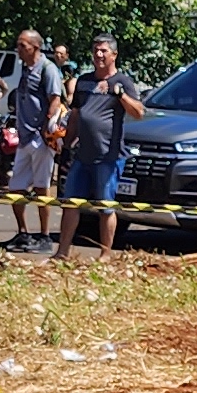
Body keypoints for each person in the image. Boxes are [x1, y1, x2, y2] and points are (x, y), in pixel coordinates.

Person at [59, 34, 146, 263]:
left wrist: (120, 95)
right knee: (70, 203)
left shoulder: (123, 82)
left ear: (114, 55)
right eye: (96, 50)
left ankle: (106, 254)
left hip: (109, 156)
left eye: (104, 51)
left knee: (105, 206)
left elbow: (138, 112)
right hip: (82, 155)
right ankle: (62, 252)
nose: (99, 54)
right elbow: (76, 116)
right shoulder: (84, 81)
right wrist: (67, 145)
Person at [0, 29, 64, 251]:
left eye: (22, 46)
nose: (18, 50)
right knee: (15, 187)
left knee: (41, 188)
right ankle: (23, 233)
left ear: (35, 47)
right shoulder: (25, 70)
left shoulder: (48, 69)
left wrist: (48, 130)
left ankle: (45, 236)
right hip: (24, 138)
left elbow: (55, 100)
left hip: (40, 138)